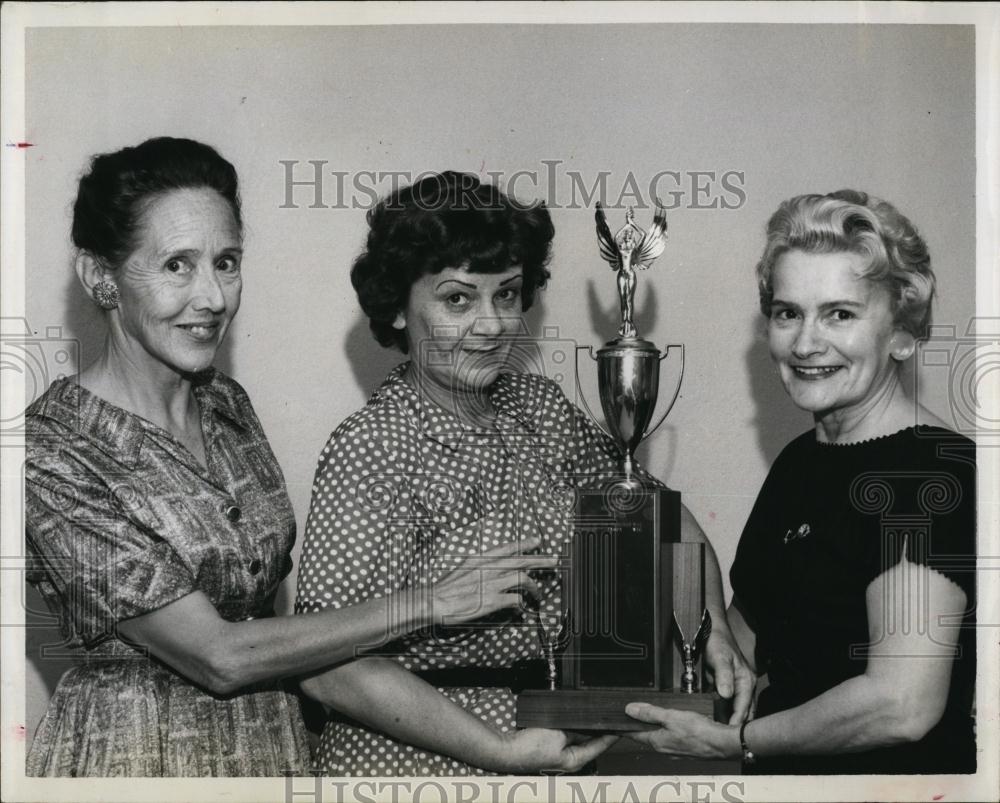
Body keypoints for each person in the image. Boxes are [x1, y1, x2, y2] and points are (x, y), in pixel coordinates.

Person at [24, 140, 553, 777]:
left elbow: (267, 620)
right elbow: (219, 655)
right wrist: (429, 602)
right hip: (140, 762)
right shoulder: (52, 451)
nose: (213, 297)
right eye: (176, 267)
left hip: (274, 753)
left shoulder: (225, 405)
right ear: (99, 276)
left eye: (226, 262)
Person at [294, 171, 753, 776]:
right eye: (458, 298)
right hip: (415, 765)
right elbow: (328, 669)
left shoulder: (538, 409)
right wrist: (496, 750)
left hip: (550, 750)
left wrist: (709, 627)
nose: (491, 326)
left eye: (506, 295)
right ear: (398, 308)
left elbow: (656, 513)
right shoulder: (373, 446)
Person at [625, 190, 976, 774]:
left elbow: (901, 702)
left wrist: (736, 743)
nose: (807, 343)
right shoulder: (801, 462)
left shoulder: (932, 473)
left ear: (902, 332)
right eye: (788, 313)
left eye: (840, 313)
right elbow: (748, 646)